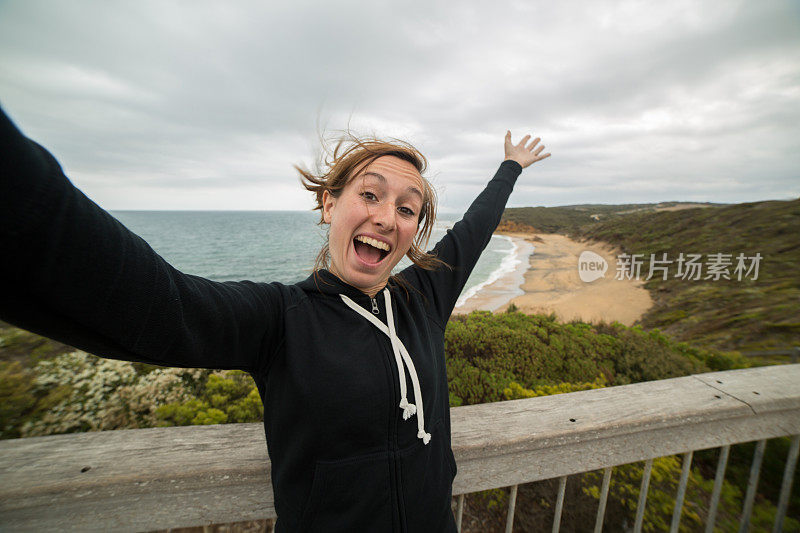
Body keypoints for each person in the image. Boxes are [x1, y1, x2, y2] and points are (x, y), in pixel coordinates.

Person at [0, 104, 550, 532]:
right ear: (330, 205)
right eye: (370, 194)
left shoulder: (424, 296)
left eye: (407, 209)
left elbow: (477, 226)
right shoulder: (281, 318)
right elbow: (160, 303)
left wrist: (510, 166)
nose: (386, 217)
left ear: (413, 234)